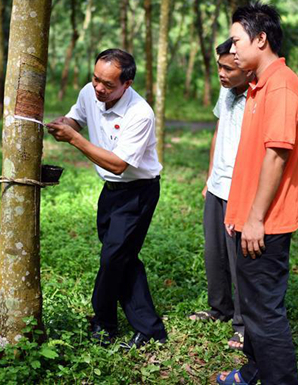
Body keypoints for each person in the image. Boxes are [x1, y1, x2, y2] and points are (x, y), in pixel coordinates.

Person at [46, 48, 167, 350]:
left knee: (113, 258)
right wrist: (65, 124)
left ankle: (104, 323)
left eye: (108, 84)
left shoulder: (140, 114)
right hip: (110, 191)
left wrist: (74, 139)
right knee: (122, 257)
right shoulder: (90, 93)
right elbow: (77, 118)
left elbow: (118, 164)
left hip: (137, 192)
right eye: (96, 79)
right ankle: (150, 329)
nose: (99, 88)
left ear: (127, 84)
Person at [216, 2, 298, 385]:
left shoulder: (282, 86)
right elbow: (252, 158)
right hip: (249, 217)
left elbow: (276, 156)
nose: (231, 49)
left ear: (261, 39)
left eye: (237, 41)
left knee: (265, 313)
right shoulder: (258, 85)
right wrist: (237, 214)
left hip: (266, 223)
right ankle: (253, 370)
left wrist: (254, 219)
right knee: (254, 307)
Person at [189, 38, 253, 351]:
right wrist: (209, 176)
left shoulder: (258, 98)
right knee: (214, 254)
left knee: (240, 260)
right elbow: (219, 131)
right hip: (217, 185)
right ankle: (220, 309)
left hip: (239, 189)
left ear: (248, 69)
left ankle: (244, 324)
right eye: (219, 67)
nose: (222, 74)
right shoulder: (226, 90)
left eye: (229, 69)